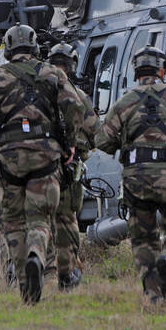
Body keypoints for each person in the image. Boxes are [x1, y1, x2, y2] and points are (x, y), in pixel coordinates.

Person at [0, 24, 83, 304]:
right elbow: (75, 107)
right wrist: (69, 143)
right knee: (41, 218)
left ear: (7, 49)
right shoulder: (53, 74)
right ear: (34, 48)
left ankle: (25, 286)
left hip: (9, 158)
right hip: (46, 155)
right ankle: (37, 256)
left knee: (14, 222)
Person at [95, 45, 166, 305]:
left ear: (136, 72)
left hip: (136, 180)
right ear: (162, 70)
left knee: (143, 238)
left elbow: (102, 140)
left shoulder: (123, 102)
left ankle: (153, 296)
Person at [46, 43, 99, 291]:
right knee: (67, 219)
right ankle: (68, 274)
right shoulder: (78, 96)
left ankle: (43, 269)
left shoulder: (38, 92)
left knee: (38, 218)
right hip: (69, 166)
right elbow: (95, 131)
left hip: (40, 165)